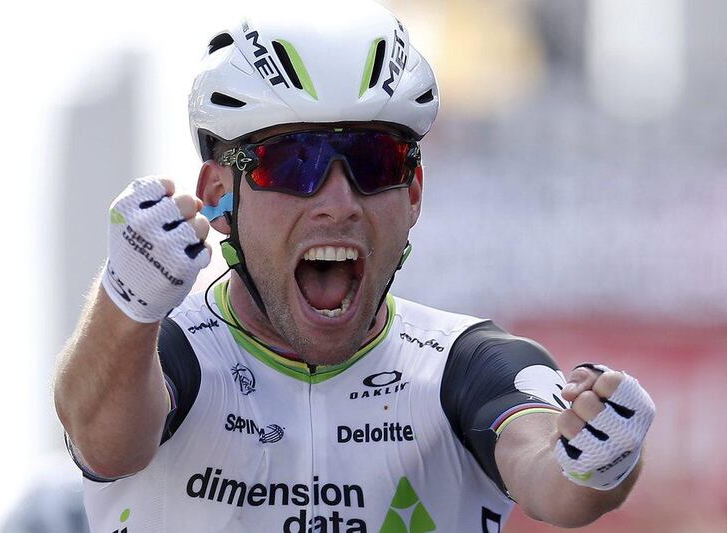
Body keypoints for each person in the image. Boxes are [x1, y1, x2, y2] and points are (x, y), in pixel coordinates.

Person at [53, 2, 655, 532]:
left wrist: (600, 459)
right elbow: (104, 440)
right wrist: (125, 303)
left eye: (374, 161)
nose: (338, 205)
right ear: (219, 197)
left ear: (413, 193)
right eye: (291, 164)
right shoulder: (173, 353)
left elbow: (552, 478)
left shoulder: (469, 364)